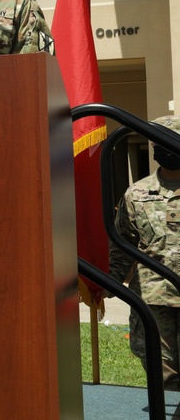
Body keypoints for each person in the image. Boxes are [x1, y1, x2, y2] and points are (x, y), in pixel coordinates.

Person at [109, 115, 180, 390]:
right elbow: (122, 243)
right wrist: (109, 283)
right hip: (152, 302)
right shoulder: (136, 193)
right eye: (158, 143)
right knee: (162, 378)